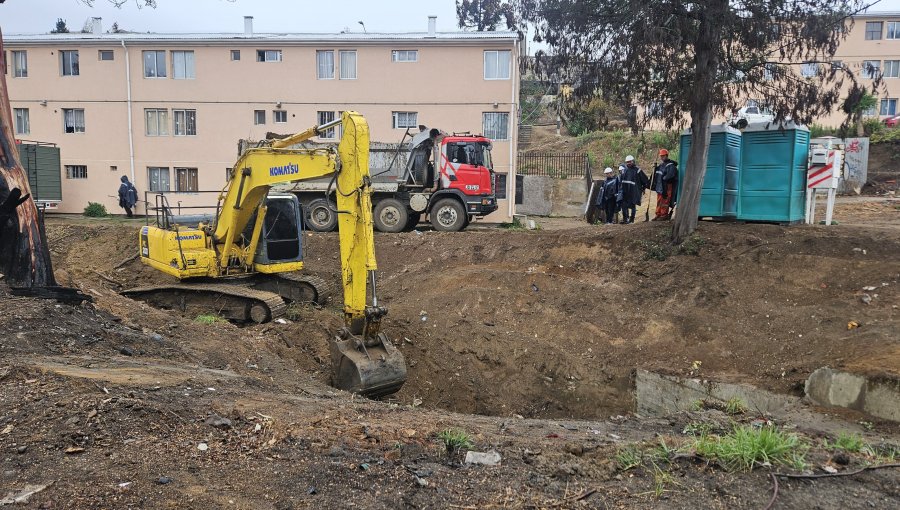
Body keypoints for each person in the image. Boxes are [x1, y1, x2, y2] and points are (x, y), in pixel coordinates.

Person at [618, 155, 649, 224]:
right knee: (624, 205)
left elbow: (645, 180)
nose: (628, 163)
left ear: (633, 161)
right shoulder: (624, 171)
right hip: (625, 191)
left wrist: (643, 188)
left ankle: (631, 220)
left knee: (632, 205)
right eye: (627, 162)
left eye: (630, 162)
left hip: (634, 191)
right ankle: (625, 219)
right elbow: (621, 181)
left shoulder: (638, 171)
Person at [651, 149, 679, 220]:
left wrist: (664, 179)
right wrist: (655, 168)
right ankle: (658, 214)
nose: (662, 157)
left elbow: (671, 175)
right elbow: (657, 174)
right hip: (660, 186)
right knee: (659, 200)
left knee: (665, 200)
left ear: (666, 156)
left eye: (663, 156)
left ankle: (664, 215)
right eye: (661, 156)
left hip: (667, 186)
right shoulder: (661, 165)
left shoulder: (671, 165)